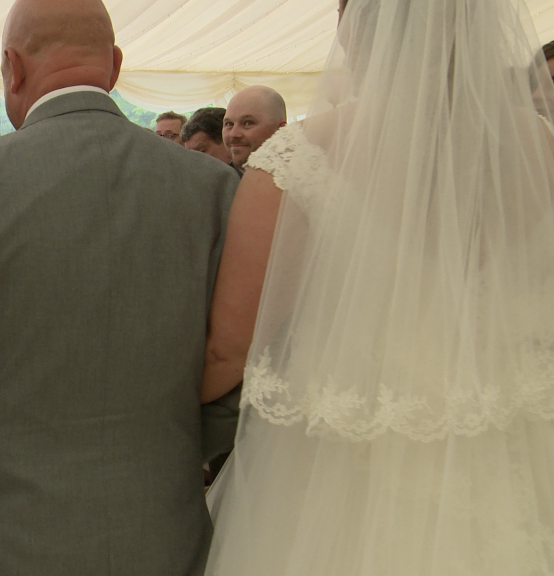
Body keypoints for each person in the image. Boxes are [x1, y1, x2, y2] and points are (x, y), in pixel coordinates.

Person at [0, 0, 237, 573]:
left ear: (12, 67)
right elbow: (236, 391)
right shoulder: (214, 189)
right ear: (116, 66)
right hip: (165, 543)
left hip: (0, 548)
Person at [202, 0, 554, 574]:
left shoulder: (295, 159)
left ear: (350, 25)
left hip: (343, 467)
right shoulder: (538, 144)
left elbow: (229, 348)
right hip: (515, 454)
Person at [222, 85, 287, 172]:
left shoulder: (301, 178)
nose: (234, 134)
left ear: (280, 129)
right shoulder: (219, 181)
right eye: (229, 124)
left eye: (248, 123)